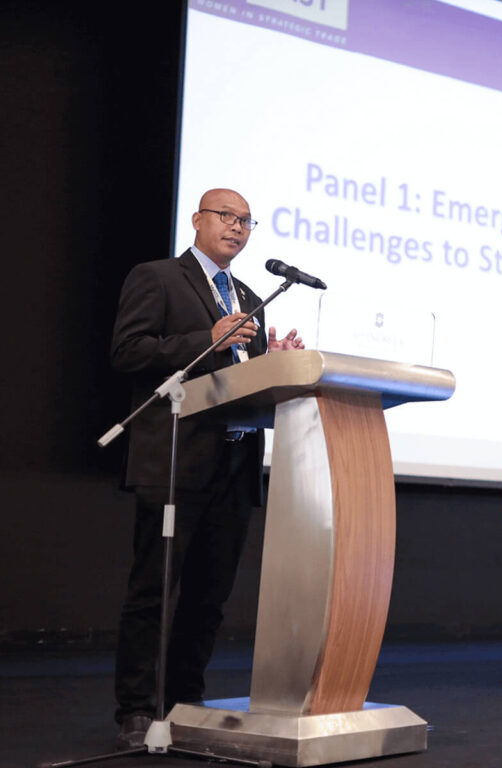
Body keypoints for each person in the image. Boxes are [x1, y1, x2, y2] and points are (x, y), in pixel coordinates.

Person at [110, 188, 304, 749]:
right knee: (153, 591)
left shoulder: (246, 293)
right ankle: (136, 711)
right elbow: (129, 351)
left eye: (247, 221)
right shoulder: (158, 277)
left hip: (235, 462)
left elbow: (239, 376)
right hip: (176, 456)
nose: (238, 228)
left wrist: (274, 362)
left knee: (208, 598)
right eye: (227, 216)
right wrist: (207, 337)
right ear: (197, 220)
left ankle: (184, 704)